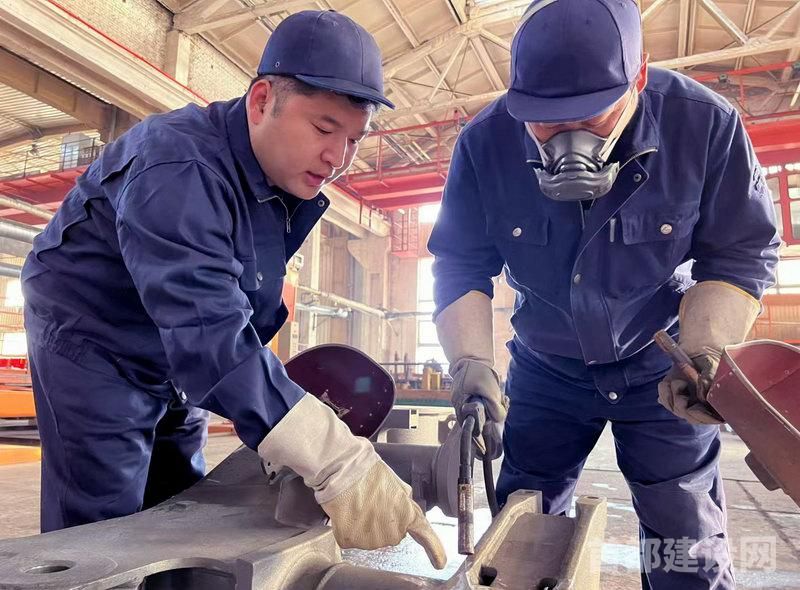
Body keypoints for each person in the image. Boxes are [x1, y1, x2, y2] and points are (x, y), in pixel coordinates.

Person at [21, 9, 445, 569]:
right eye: (324, 129)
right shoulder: (177, 168)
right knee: (105, 529)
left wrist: (279, 422)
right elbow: (209, 334)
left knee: (182, 509)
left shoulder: (275, 182)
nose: (338, 158)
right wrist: (333, 457)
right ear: (262, 100)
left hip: (175, 354)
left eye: (354, 139)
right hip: (95, 340)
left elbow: (230, 320)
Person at [429, 0, 779, 587]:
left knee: (685, 540)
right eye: (544, 120)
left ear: (637, 77)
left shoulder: (704, 126)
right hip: (546, 370)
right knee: (523, 535)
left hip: (661, 367)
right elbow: (460, 263)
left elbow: (742, 252)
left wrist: (706, 352)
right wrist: (469, 364)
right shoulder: (484, 144)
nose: (567, 138)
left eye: (590, 116)